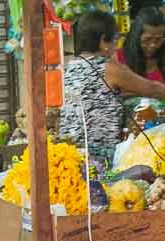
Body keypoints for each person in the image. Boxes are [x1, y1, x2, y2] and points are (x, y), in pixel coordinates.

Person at [60, 11, 165, 163]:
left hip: (72, 156)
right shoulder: (108, 69)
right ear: (104, 40)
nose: (116, 46)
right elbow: (152, 89)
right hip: (102, 159)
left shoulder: (67, 68)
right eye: (115, 39)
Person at [117, 7, 165, 82]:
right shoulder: (119, 59)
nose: (153, 45)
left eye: (158, 40)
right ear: (136, 36)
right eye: (147, 39)